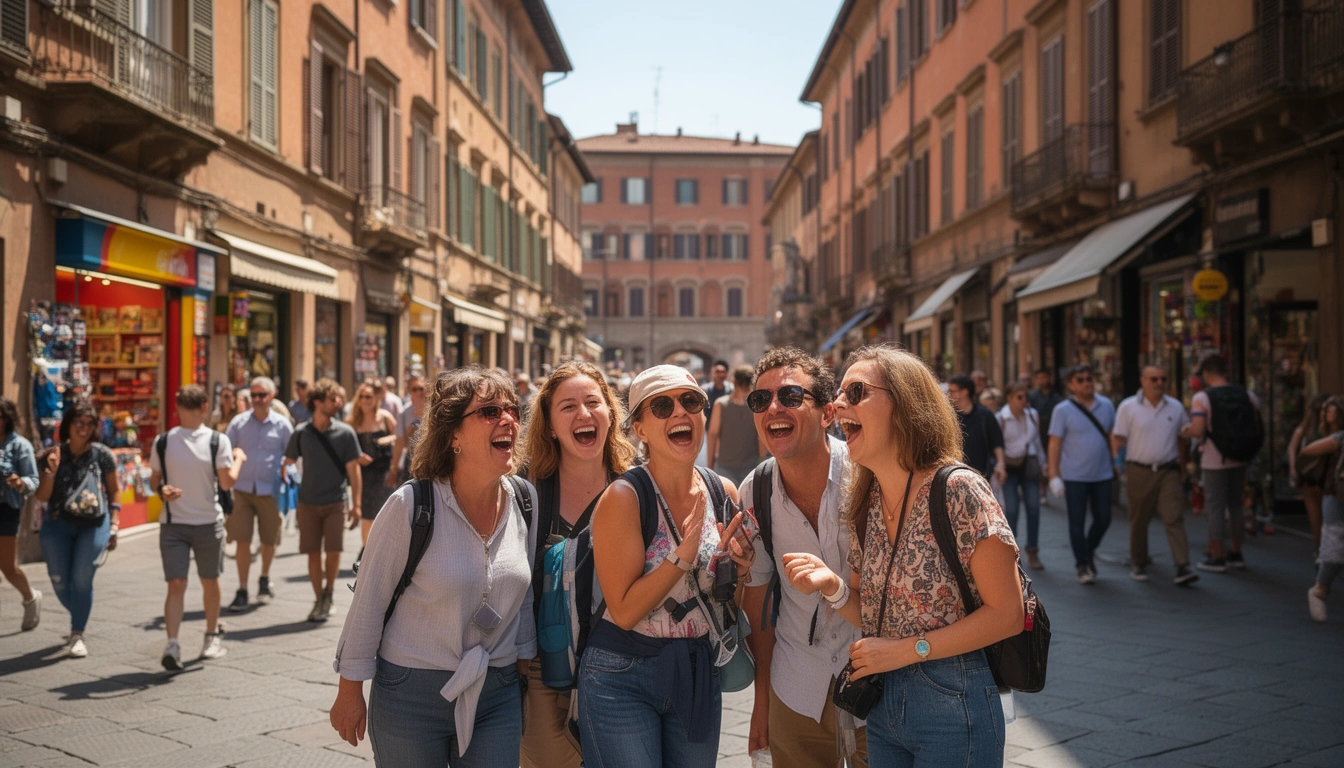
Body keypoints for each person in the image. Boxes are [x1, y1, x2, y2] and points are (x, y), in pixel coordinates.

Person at [782, 346, 1022, 768]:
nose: (838, 404)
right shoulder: (866, 500)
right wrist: (832, 586)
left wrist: (908, 650)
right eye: (839, 394)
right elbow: (871, 612)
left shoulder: (958, 489)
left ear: (905, 405)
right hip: (883, 703)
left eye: (855, 392)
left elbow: (1008, 614)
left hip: (953, 700)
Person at [330, 367, 537, 767]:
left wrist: (521, 669)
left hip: (496, 692)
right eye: (490, 411)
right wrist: (350, 689)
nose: (508, 419)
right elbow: (368, 603)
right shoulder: (410, 506)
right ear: (453, 435)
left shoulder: (523, 501)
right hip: (411, 694)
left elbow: (522, 598)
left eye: (512, 409)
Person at [581, 364, 753, 768]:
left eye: (690, 402)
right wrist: (682, 557)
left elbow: (723, 600)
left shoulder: (720, 490)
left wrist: (740, 570)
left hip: (696, 669)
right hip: (622, 675)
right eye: (661, 406)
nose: (680, 412)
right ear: (639, 429)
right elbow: (622, 611)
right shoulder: (624, 497)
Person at [738, 349, 867, 768]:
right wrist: (762, 702)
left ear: (828, 412)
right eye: (761, 400)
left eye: (791, 396)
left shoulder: (869, 475)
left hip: (879, 680)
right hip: (796, 686)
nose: (773, 407)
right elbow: (758, 607)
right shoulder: (753, 492)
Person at [518, 361, 637, 768]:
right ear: (550, 426)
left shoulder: (639, 485)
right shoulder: (526, 489)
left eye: (593, 403)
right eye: (568, 407)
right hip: (544, 665)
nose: (584, 415)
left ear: (610, 413)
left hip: (624, 665)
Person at [150, 385, 246, 669]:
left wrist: (161, 489)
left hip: (183, 523)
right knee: (209, 582)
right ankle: (201, 638)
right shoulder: (217, 441)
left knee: (176, 584)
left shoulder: (163, 441)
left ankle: (181, 641)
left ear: (177, 407)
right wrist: (240, 458)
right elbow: (228, 483)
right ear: (205, 407)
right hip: (196, 523)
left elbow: (153, 480)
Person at [33, 400, 121, 658]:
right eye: (78, 423)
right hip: (57, 524)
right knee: (60, 582)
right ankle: (80, 614)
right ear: (68, 425)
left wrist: (115, 524)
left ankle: (77, 633)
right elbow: (43, 496)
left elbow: (114, 491)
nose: (83, 429)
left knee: (82, 579)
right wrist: (50, 472)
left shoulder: (102, 455)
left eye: (89, 424)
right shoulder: (53, 454)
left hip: (93, 524)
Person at [285, 378, 362, 622]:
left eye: (340, 398)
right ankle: (319, 598)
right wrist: (289, 477)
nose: (338, 402)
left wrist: (356, 504)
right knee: (312, 553)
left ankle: (328, 593)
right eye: (333, 399)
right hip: (307, 502)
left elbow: (354, 471)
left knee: (333, 550)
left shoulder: (345, 432)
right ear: (317, 402)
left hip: (335, 502)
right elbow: (287, 463)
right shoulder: (301, 433)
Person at [1112, 367, 1198, 586]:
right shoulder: (1128, 406)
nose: (1159, 382)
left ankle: (1182, 565)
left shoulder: (1176, 407)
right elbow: (1118, 438)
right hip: (1139, 470)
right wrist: (1117, 463)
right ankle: (1138, 561)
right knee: (1139, 519)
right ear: (1143, 381)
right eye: (1154, 379)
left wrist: (1184, 465)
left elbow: (1183, 437)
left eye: (1163, 378)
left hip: (1168, 470)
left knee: (1174, 516)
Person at [224, 376, 294, 612]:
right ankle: (242, 588)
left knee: (268, 539)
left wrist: (288, 471)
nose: (256, 400)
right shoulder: (238, 423)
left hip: (270, 490)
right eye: (253, 395)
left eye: (261, 395)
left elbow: (291, 457)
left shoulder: (283, 425)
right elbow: (225, 453)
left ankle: (264, 577)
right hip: (242, 489)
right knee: (242, 539)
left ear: (272, 396)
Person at [1185, 353, 1259, 573]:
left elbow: (1197, 429)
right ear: (1226, 371)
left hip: (1214, 458)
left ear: (1206, 374)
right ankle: (1236, 552)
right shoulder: (1247, 395)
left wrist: (1184, 430)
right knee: (1236, 504)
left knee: (1215, 506)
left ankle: (1218, 555)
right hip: (1241, 457)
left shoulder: (1203, 398)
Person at [1047, 365, 1117, 585]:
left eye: (1090, 379)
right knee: (1076, 522)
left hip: (1103, 474)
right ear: (1072, 385)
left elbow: (1112, 435)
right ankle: (1082, 564)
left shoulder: (1106, 405)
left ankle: (1088, 551)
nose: (1087, 383)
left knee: (1104, 518)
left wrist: (1117, 462)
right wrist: (1053, 475)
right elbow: (1054, 444)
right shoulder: (1063, 410)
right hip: (1074, 476)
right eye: (1081, 380)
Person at [0, 397, 41, 631]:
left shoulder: (20, 446)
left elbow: (33, 481)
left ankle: (30, 597)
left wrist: (19, 482)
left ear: (6, 419)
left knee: (7, 567)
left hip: (6, 508)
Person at [1299, 411, 1344, 622]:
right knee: (1334, 546)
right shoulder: (1339, 439)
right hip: (1336, 495)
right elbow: (1307, 452)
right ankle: (1319, 590)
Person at [997, 381, 1046, 570]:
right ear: (1009, 398)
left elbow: (1037, 442)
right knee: (1012, 511)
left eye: (1026, 396)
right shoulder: (1001, 418)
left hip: (1029, 466)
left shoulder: (1032, 415)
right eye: (1020, 397)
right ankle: (1011, 553)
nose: (1024, 400)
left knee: (1034, 508)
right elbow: (997, 446)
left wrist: (1044, 464)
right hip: (1010, 468)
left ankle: (1032, 550)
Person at [349, 381, 398, 544]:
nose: (365, 400)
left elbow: (399, 437)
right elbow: (344, 447)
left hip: (383, 473)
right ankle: (366, 553)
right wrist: (357, 455)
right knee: (367, 517)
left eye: (368, 397)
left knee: (385, 515)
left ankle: (383, 552)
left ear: (375, 398)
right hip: (363, 475)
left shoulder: (385, 417)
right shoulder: (352, 421)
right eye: (361, 397)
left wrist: (387, 439)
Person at [706, 365, 766, 486]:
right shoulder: (757, 405)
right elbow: (761, 437)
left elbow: (712, 436)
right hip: (750, 467)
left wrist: (710, 467)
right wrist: (762, 462)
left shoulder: (721, 404)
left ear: (733, 381)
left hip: (726, 467)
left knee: (726, 504)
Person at [1289, 394, 1334, 551]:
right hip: (1326, 477)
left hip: (1309, 476)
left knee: (1315, 514)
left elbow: (1292, 448)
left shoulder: (1305, 429)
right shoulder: (1329, 432)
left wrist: (1294, 470)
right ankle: (1325, 548)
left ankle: (1320, 548)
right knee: (1328, 515)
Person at [947, 374, 1007, 486]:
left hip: (982, 476)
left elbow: (997, 442)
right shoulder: (949, 416)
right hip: (954, 476)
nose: (949, 394)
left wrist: (1000, 465)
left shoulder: (984, 415)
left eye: (952, 391)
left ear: (965, 392)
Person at [389, 374, 428, 487]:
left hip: (430, 462)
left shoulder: (434, 411)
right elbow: (400, 443)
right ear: (409, 391)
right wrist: (393, 470)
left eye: (421, 388)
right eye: (414, 389)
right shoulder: (404, 413)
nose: (418, 392)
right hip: (411, 463)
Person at [1027, 369, 1063, 438]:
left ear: (1049, 378)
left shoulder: (1056, 397)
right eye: (1038, 378)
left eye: (1043, 377)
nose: (1041, 381)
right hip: (1037, 430)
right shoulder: (1032, 396)